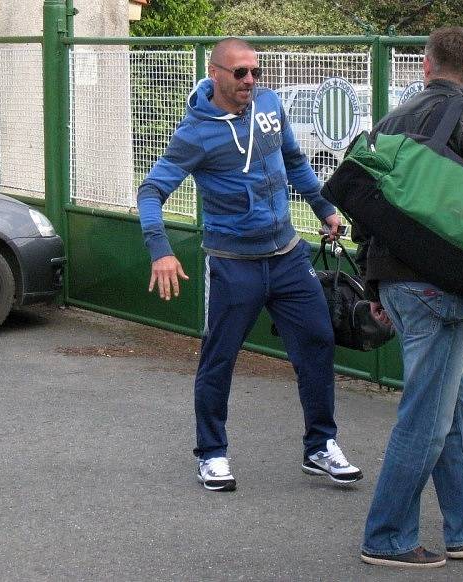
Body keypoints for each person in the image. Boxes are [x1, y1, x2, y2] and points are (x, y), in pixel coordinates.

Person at [136, 38, 362, 492]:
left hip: (287, 256)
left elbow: (296, 162)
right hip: (234, 263)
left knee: (318, 341)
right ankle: (212, 453)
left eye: (256, 72)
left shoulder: (271, 105)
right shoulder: (195, 134)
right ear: (215, 73)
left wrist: (325, 210)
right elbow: (150, 192)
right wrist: (160, 249)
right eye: (240, 73)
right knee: (219, 358)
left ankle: (320, 446)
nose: (251, 81)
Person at [356, 27, 463, 568]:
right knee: (427, 414)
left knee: (453, 406)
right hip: (441, 285)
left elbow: (370, 209)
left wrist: (375, 283)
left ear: (426, 65)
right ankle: (387, 537)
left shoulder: (394, 118)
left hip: (396, 281)